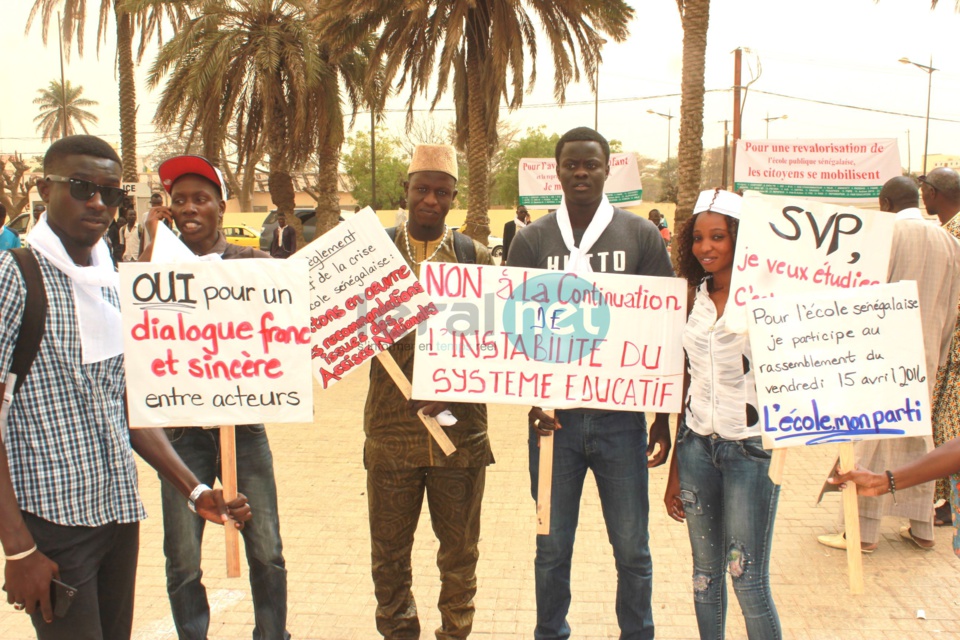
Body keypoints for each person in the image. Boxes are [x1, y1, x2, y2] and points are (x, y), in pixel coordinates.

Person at [0, 135, 250, 640]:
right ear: (44, 189)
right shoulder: (15, 277)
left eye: (111, 193)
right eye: (81, 187)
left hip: (117, 515)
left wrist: (196, 489)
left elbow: (127, 407)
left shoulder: (112, 284)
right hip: (54, 524)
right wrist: (19, 548)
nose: (97, 203)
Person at [507, 127, 673, 640]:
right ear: (556, 171)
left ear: (608, 170)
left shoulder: (639, 236)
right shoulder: (533, 239)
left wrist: (661, 415)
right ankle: (550, 633)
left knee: (632, 548)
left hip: (621, 421)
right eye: (572, 165)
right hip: (554, 424)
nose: (581, 173)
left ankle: (637, 634)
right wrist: (531, 401)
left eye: (592, 165)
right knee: (551, 548)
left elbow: (662, 327)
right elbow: (514, 328)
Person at [143, 154, 290, 640]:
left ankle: (272, 635)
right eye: (178, 199)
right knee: (182, 559)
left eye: (200, 198)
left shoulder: (254, 265)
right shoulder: (154, 269)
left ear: (220, 207)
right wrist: (149, 246)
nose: (189, 208)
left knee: (266, 548)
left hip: (243, 430)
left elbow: (291, 310)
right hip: (180, 433)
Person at [364, 144, 494, 639]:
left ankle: (454, 634)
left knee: (460, 557)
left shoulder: (474, 258)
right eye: (422, 189)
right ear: (406, 189)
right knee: (389, 558)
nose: (431, 200)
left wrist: (455, 388)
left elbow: (496, 346)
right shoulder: (372, 257)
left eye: (442, 192)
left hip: (460, 439)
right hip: (390, 435)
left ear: (455, 197)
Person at [817, 175, 960, 552]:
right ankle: (923, 529)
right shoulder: (948, 240)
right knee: (917, 437)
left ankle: (860, 532)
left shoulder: (883, 236)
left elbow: (861, 300)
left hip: (881, 356)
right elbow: (951, 309)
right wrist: (939, 353)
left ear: (884, 203)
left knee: (871, 436)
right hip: (927, 355)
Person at [663, 188, 782, 640]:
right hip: (696, 450)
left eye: (718, 236)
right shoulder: (690, 297)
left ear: (740, 239)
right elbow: (686, 383)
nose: (706, 247)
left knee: (745, 579)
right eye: (697, 237)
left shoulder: (767, 297)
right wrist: (676, 467)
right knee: (703, 579)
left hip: (750, 452)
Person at [920, 167, 960, 525]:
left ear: (933, 193)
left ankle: (949, 506)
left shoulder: (953, 236)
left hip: (955, 354)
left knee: (950, 428)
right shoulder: (948, 233)